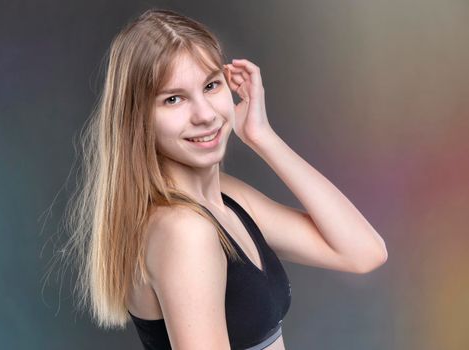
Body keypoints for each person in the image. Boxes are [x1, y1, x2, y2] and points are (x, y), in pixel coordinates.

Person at [56, 8, 388, 350]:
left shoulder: (226, 199)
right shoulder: (185, 230)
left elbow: (362, 252)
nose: (205, 114)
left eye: (211, 86)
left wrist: (263, 137)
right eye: (173, 99)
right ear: (137, 120)